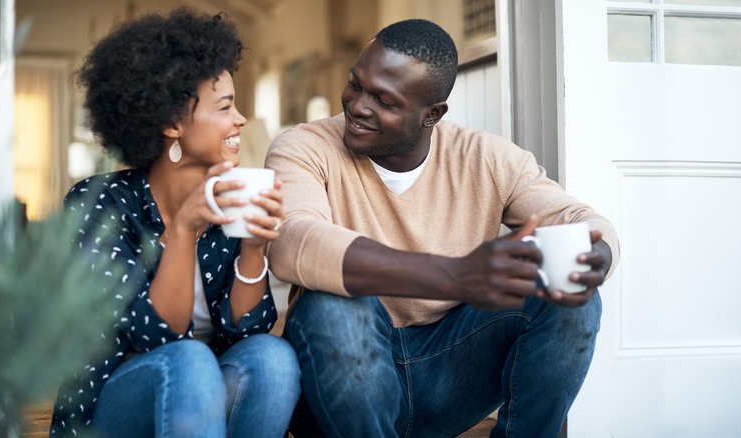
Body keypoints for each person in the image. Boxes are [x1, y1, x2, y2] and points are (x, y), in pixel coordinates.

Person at [265, 19, 620, 438]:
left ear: (432, 114)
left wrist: (595, 257)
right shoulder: (303, 147)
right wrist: (455, 275)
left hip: (448, 373)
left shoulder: (486, 157)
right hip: (341, 378)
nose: (358, 105)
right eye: (355, 85)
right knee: (333, 306)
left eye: (384, 100)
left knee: (569, 293)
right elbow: (291, 243)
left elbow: (582, 221)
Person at [50, 9, 300, 438]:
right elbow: (155, 337)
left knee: (273, 356)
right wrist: (183, 230)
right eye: (225, 106)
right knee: (189, 359)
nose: (240, 118)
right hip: (113, 409)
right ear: (170, 123)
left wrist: (254, 245)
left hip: (200, 408)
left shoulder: (228, 202)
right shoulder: (102, 205)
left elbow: (247, 330)